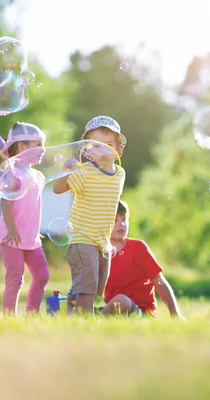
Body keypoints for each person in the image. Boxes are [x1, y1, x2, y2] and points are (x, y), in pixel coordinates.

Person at [53, 116, 127, 315]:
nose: (103, 151)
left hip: (102, 241)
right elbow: (58, 189)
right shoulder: (84, 171)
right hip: (82, 237)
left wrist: (107, 241)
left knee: (95, 286)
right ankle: (86, 320)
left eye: (109, 144)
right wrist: (65, 171)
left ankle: (72, 302)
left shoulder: (120, 174)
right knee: (87, 286)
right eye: (96, 146)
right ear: (87, 150)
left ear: (118, 147)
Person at [0, 122, 49, 316]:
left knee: (42, 275)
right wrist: (12, 229)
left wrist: (33, 231)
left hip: (31, 239)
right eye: (39, 144)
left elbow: (31, 206)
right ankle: (9, 318)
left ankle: (32, 315)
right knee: (16, 278)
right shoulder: (12, 174)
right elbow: (6, 204)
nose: (43, 149)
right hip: (11, 237)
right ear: (22, 147)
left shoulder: (38, 175)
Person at [101, 200, 185, 320]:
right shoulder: (101, 252)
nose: (122, 224)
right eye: (115, 220)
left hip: (142, 313)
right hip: (113, 310)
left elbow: (160, 282)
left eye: (124, 219)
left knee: (121, 300)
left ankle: (97, 319)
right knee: (76, 304)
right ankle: (96, 317)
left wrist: (175, 314)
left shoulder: (138, 247)